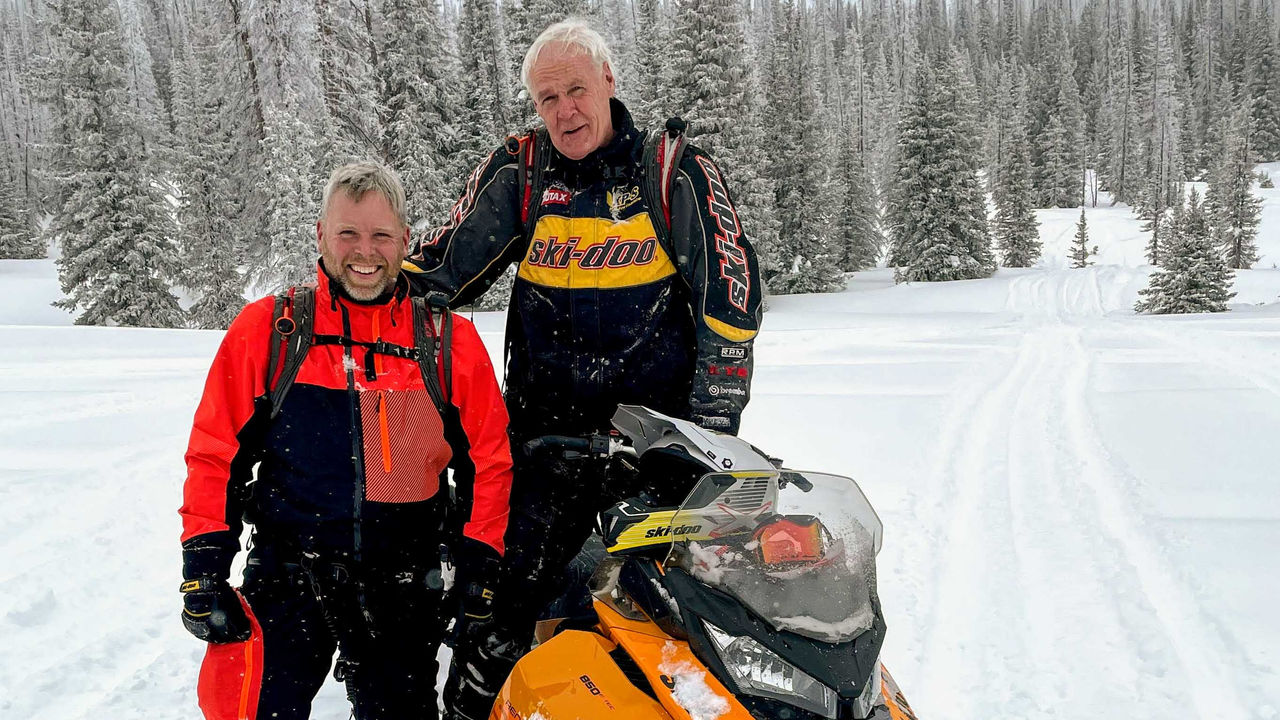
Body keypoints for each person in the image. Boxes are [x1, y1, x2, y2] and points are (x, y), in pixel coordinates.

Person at [402, 19, 763, 720]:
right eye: (546, 98)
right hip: (547, 442)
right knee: (504, 609)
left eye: (574, 90)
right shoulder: (523, 172)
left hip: (662, 442)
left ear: (608, 81)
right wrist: (359, 294)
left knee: (682, 618)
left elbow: (731, 294)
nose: (564, 110)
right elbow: (440, 270)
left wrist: (711, 428)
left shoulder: (671, 171)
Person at [179, 161, 513, 720]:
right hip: (290, 577)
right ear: (321, 236)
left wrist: (480, 561)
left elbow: (489, 462)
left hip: (403, 584)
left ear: (406, 240)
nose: (366, 251)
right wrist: (204, 564)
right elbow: (217, 455)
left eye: (382, 235)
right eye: (349, 233)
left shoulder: (446, 342)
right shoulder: (272, 331)